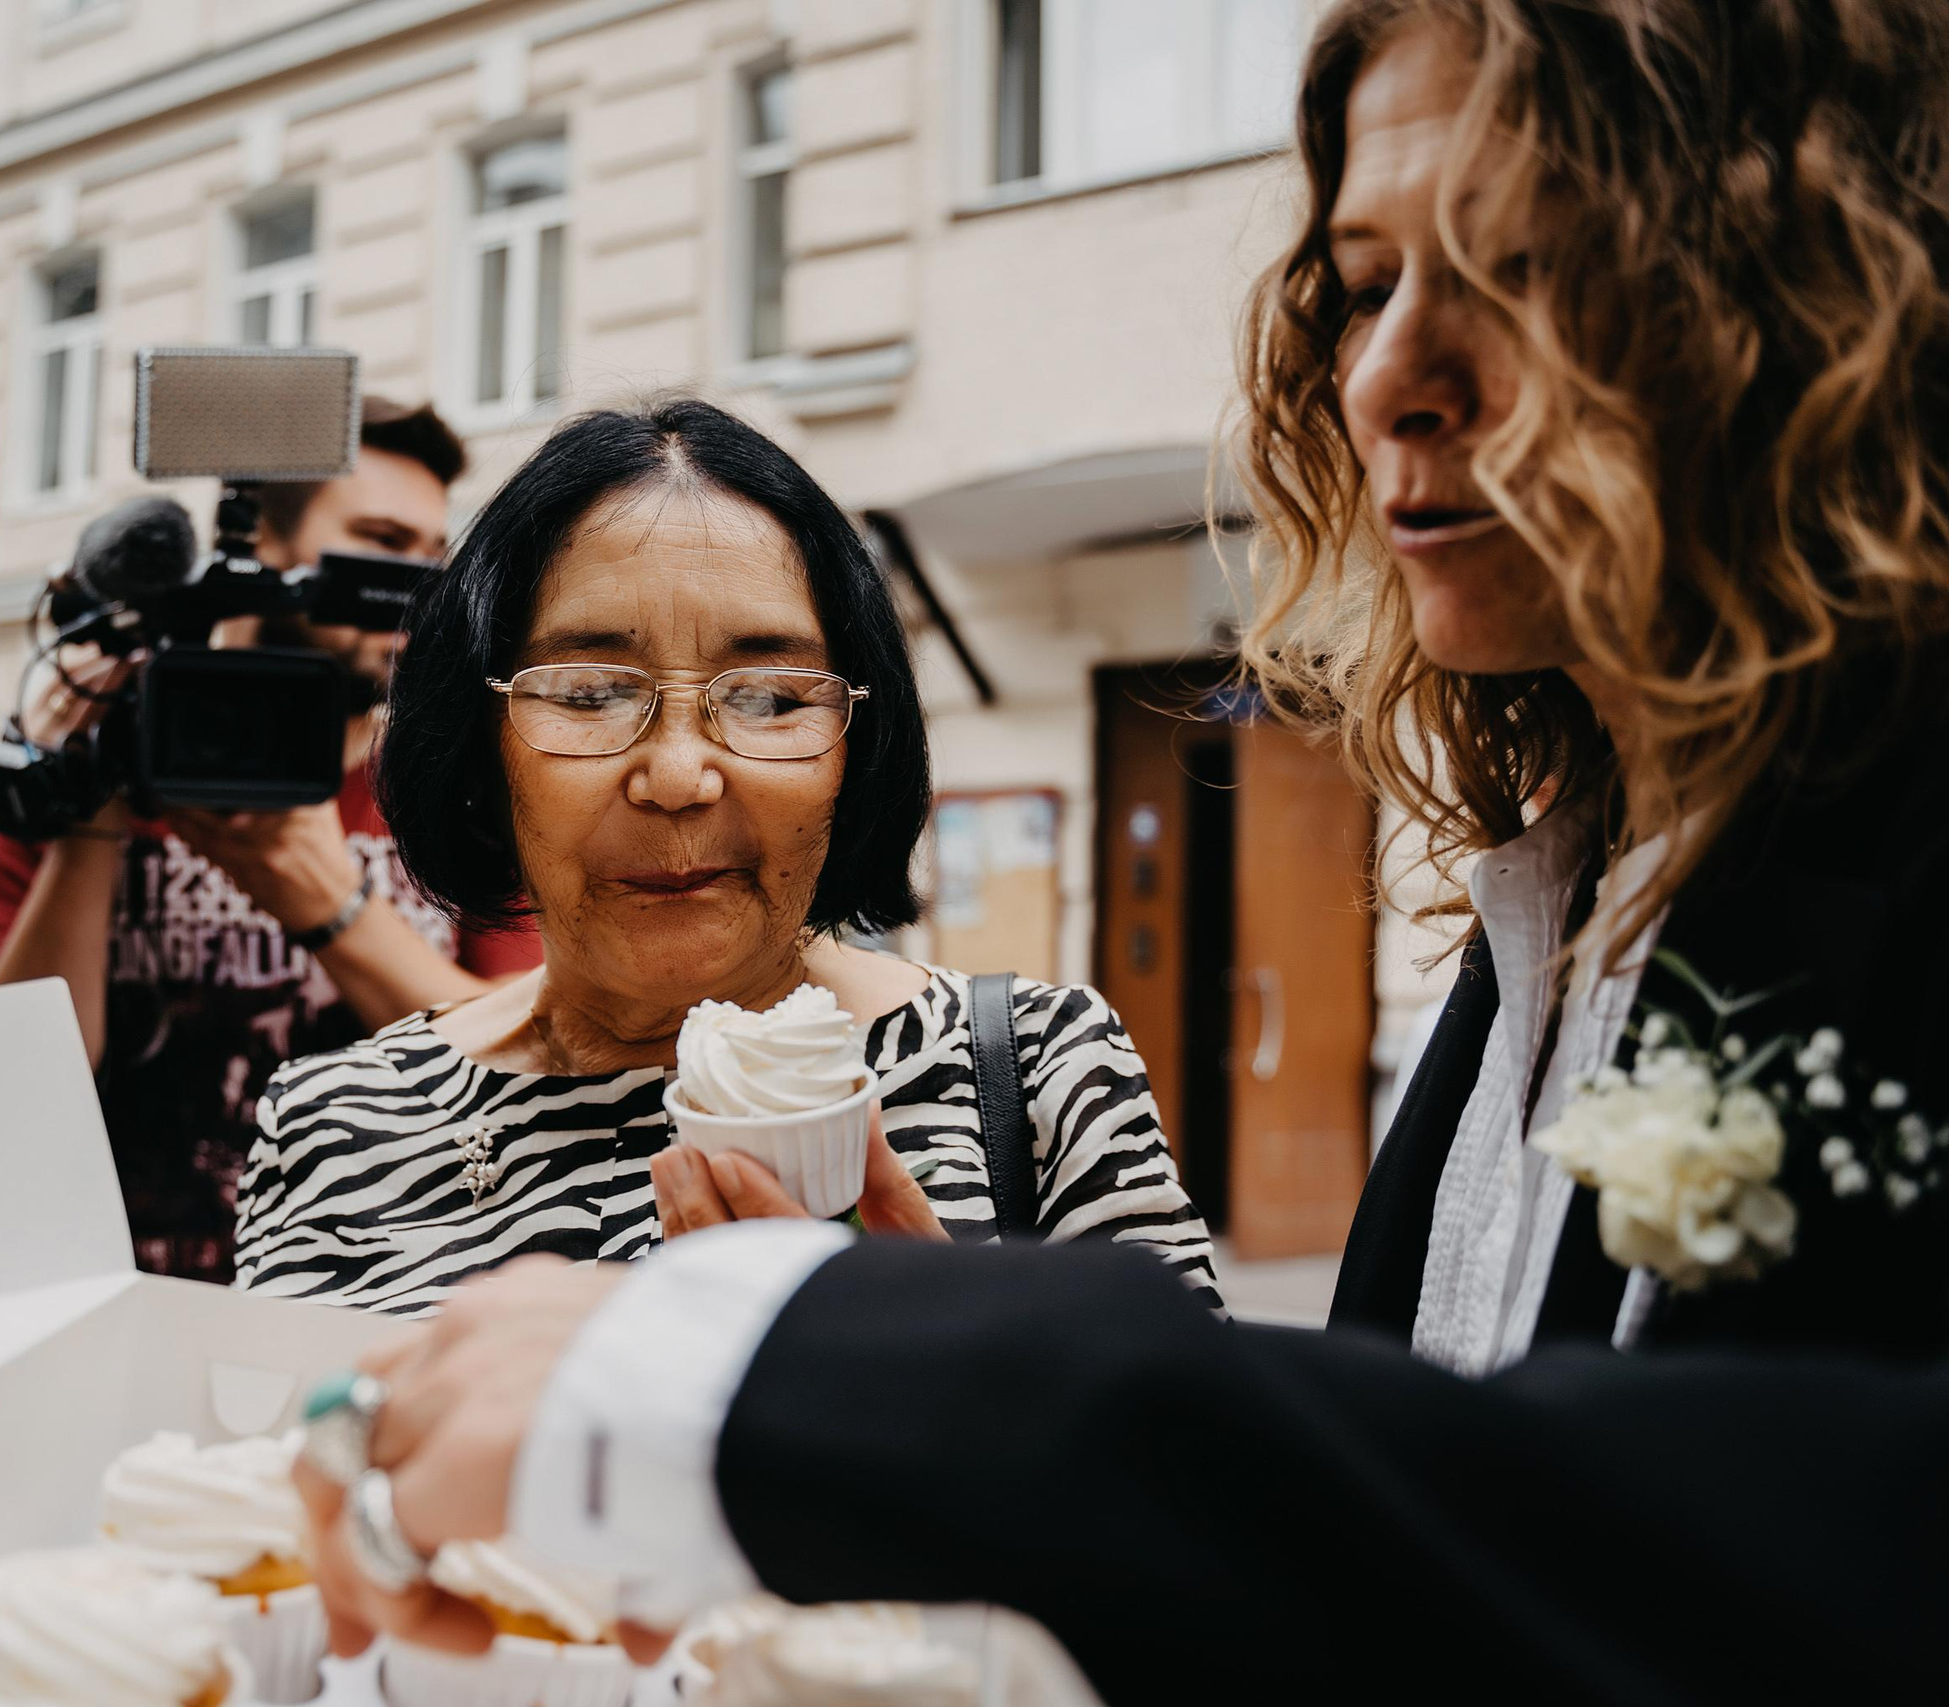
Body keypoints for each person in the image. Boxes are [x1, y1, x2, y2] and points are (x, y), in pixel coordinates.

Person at [282, 3, 1949, 1700]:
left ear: (1818, 288)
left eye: (1521, 265)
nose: (1385, 374)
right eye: (1365, 285)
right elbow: (1385, 1567)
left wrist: (867, 1384)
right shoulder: (1550, 919)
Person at [233, 397, 1219, 1314]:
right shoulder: (333, 1122)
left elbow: (1198, 1450)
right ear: (479, 742)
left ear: (856, 746)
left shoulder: (1036, 1070)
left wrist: (932, 1385)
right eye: (589, 694)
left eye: (768, 698)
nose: (677, 777)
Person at [0, 398, 541, 1283]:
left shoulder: (458, 784)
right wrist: (90, 819)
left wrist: (332, 906)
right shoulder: (106, 739)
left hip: (378, 1291)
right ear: (261, 545)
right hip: (112, 1287)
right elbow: (1, 1088)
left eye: (432, 555)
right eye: (380, 542)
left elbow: (532, 1067)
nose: (413, 586)